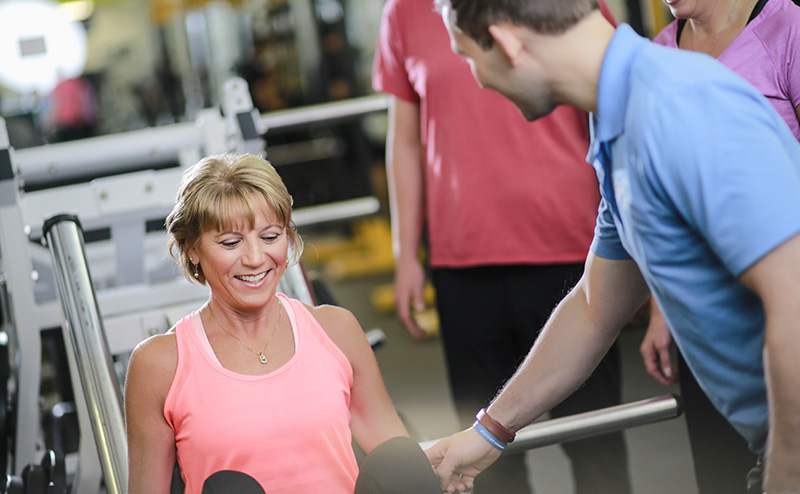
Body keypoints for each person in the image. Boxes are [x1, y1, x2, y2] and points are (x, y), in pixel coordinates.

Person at [422, 1, 800, 493]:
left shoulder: (680, 106)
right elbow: (595, 304)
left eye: (468, 55)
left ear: (510, 43)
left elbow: (794, 302)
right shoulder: (620, 115)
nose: (477, 78)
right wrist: (490, 431)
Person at [371, 0, 632, 492]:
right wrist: (406, 254)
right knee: (484, 458)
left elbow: (608, 95)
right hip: (463, 258)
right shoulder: (403, 12)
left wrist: (639, 251)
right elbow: (404, 140)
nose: (480, 76)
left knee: (596, 441)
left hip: (570, 246)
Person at [124, 153, 410, 494]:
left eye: (270, 237)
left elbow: (398, 461)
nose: (256, 258)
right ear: (191, 250)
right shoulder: (159, 365)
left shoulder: (336, 330)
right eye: (231, 242)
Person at [638, 0, 800, 491]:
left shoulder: (785, 25)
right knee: (720, 474)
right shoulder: (657, 55)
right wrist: (661, 309)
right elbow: (663, 205)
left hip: (784, 304)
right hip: (706, 322)